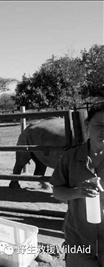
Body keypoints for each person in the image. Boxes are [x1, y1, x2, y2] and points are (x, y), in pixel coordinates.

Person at [51, 102, 104, 266]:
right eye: (99, 125)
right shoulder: (70, 157)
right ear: (87, 125)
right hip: (78, 239)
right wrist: (78, 192)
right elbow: (57, 191)